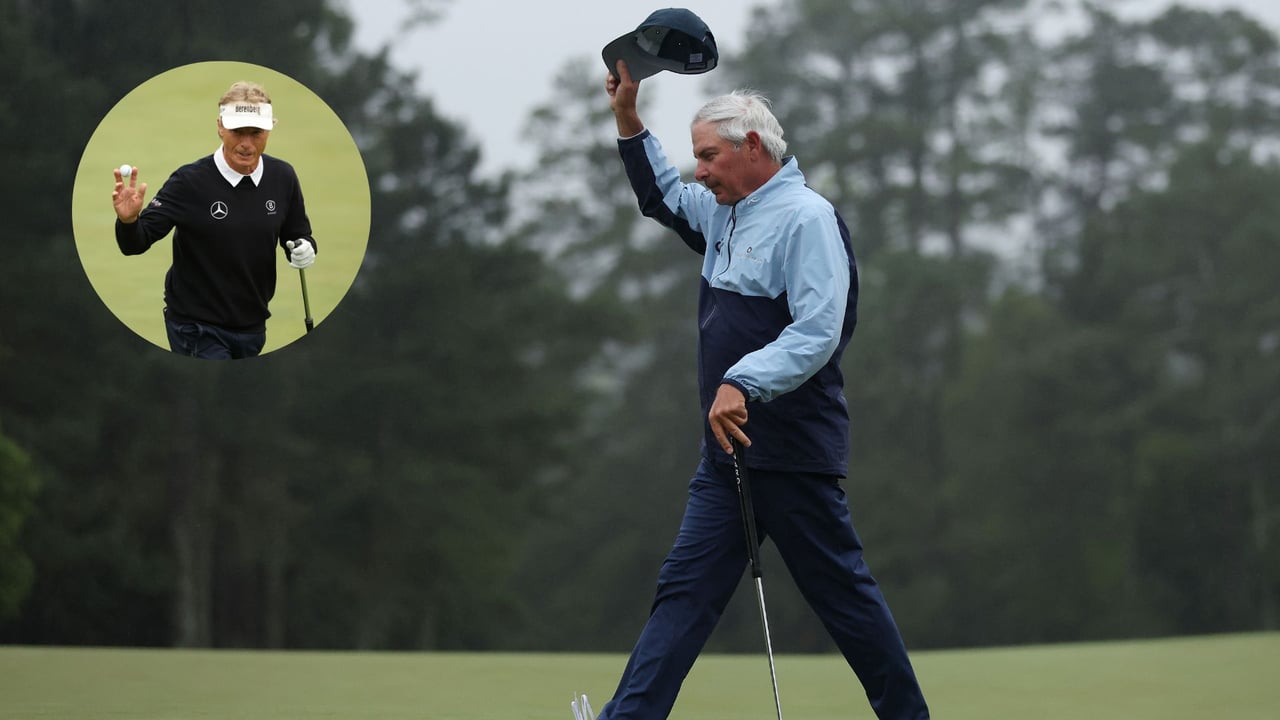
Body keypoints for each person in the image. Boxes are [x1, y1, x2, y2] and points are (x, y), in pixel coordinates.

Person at [598, 60, 930, 720]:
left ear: (752, 147)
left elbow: (818, 331)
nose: (700, 171)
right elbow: (663, 195)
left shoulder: (807, 219)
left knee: (846, 603)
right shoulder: (724, 212)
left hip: (793, 452)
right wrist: (629, 118)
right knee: (683, 593)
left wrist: (741, 381)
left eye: (709, 156)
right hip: (727, 458)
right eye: (698, 157)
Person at [111, 80, 317, 359]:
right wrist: (128, 221)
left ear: (269, 130)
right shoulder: (189, 181)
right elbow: (136, 243)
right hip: (196, 328)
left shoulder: (283, 177)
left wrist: (305, 248)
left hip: (253, 327)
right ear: (220, 126)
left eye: (256, 133)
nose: (246, 143)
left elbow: (297, 234)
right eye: (237, 132)